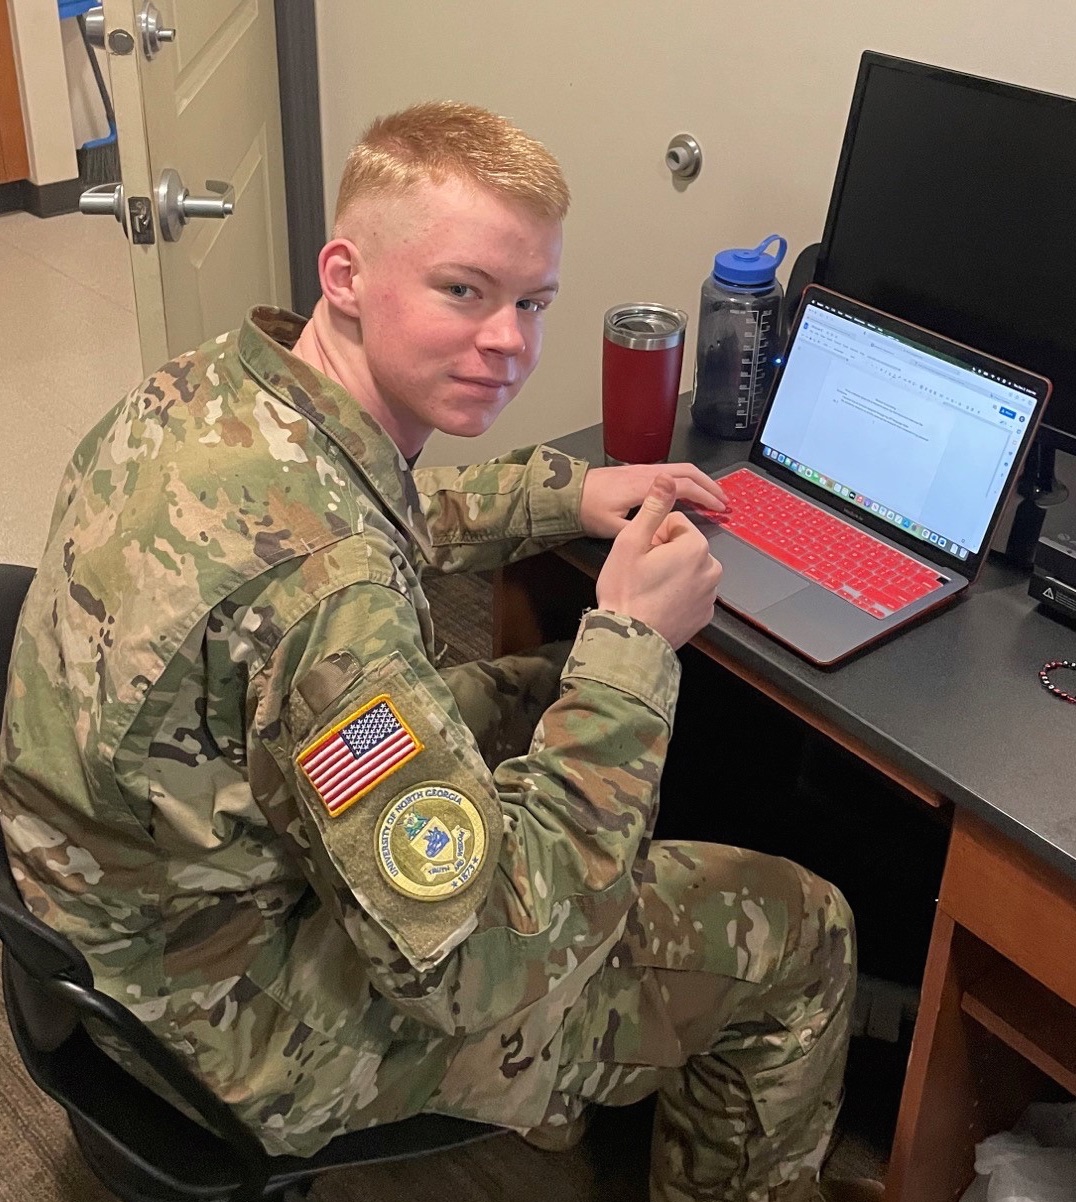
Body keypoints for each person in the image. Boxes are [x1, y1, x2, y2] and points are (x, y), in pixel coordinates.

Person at [0, 102, 863, 1201]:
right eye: (464, 290)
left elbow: (346, 513)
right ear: (349, 273)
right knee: (803, 931)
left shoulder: (217, 388)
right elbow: (477, 969)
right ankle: (589, 1073)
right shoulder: (329, 604)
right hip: (225, 1032)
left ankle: (585, 1066)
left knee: (543, 684)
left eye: (533, 301)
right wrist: (633, 642)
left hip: (116, 911)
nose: (509, 339)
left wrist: (569, 490)